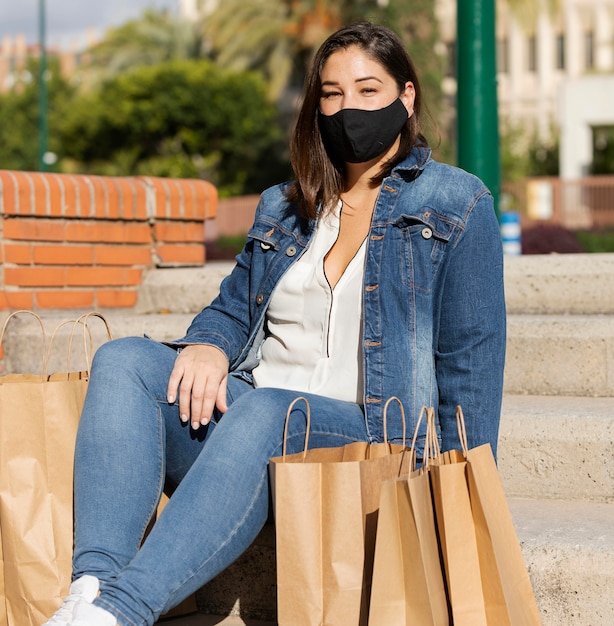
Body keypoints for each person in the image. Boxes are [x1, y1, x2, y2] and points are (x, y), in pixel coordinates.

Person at [44, 21, 506, 626]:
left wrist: (458, 496)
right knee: (125, 359)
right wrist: (209, 343)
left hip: (371, 438)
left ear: (406, 96)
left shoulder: (456, 203)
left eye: (368, 90)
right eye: (332, 94)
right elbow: (234, 308)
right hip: (259, 426)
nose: (348, 108)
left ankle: (121, 612)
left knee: (270, 411)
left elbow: (470, 363)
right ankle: (92, 587)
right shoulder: (285, 205)